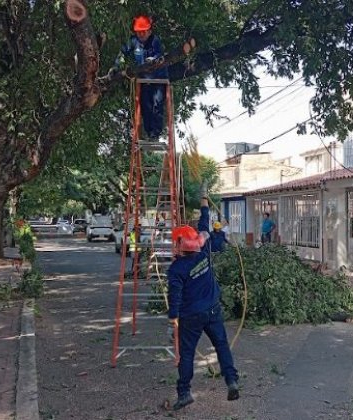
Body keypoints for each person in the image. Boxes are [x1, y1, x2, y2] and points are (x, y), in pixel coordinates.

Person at [167, 183, 239, 410]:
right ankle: (231, 380)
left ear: (179, 245)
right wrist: (204, 199)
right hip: (213, 310)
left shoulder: (176, 269)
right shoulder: (204, 251)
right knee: (222, 346)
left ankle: (184, 392)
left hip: (191, 316)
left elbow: (174, 295)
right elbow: (204, 222)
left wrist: (173, 319)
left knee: (186, 354)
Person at [114, 14, 168, 139]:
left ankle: (156, 132)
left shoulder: (155, 41)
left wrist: (153, 60)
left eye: (143, 32)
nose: (141, 35)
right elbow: (122, 52)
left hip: (159, 79)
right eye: (139, 32)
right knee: (145, 106)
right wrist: (116, 66)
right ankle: (150, 132)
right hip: (144, 80)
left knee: (157, 104)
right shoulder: (133, 41)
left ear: (149, 31)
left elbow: (159, 55)